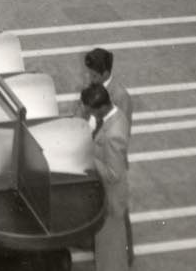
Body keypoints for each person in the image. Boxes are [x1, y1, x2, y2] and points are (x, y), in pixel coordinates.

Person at [81, 80, 130, 271]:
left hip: (110, 197)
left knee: (111, 253)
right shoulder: (115, 116)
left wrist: (89, 158)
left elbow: (113, 174)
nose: (90, 114)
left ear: (101, 108)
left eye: (91, 110)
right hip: (107, 196)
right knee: (107, 248)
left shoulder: (113, 135)